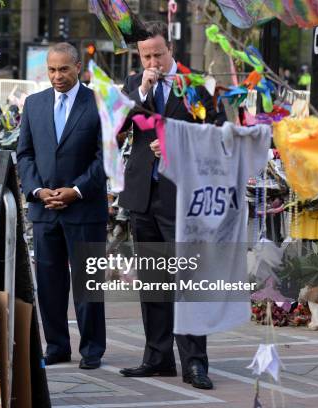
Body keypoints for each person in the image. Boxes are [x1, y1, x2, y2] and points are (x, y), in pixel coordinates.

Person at [118, 21, 225, 389]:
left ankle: (195, 363)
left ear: (171, 50)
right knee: (153, 283)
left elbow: (220, 134)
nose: (153, 61)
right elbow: (116, 125)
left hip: (182, 196)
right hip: (143, 197)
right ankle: (157, 356)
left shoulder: (197, 85)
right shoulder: (133, 85)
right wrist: (143, 90)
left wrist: (181, 145)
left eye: (158, 54)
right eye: (146, 55)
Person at [17, 42, 107, 370]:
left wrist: (77, 190)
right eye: (52, 70)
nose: (57, 76)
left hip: (85, 208)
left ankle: (93, 349)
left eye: (64, 69)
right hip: (45, 210)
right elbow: (24, 153)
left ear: (78, 67)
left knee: (88, 284)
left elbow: (104, 156)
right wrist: (38, 190)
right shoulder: (34, 104)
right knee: (50, 283)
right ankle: (56, 346)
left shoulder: (97, 102)